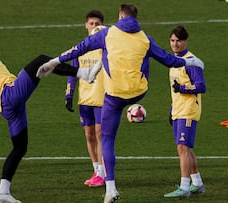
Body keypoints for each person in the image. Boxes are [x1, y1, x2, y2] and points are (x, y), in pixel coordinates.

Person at [36, 3, 204, 203]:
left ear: (120, 16)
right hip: (139, 91)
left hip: (114, 95)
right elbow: (169, 60)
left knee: (107, 140)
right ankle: (97, 71)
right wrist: (191, 62)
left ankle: (110, 189)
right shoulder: (145, 38)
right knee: (143, 56)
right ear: (137, 18)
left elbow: (78, 49)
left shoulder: (107, 34)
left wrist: (53, 62)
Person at [0, 19, 101, 203]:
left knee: (20, 147)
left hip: (9, 106)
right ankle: (84, 73)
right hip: (10, 94)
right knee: (41, 60)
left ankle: (3, 191)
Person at [163, 25, 206, 198]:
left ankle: (184, 187)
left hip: (189, 111)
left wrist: (182, 88)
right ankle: (197, 183)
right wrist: (172, 108)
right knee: (184, 149)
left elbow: (201, 86)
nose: (175, 44)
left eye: (179, 41)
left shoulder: (191, 62)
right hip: (179, 110)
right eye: (172, 40)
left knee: (182, 147)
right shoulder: (174, 62)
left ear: (185, 41)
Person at [65, 10, 106, 187]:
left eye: (97, 24)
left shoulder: (105, 48)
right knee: (89, 136)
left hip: (102, 98)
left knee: (100, 134)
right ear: (86, 25)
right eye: (91, 23)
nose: (94, 27)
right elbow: (72, 73)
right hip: (85, 99)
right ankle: (97, 170)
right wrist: (69, 94)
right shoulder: (81, 48)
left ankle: (104, 173)